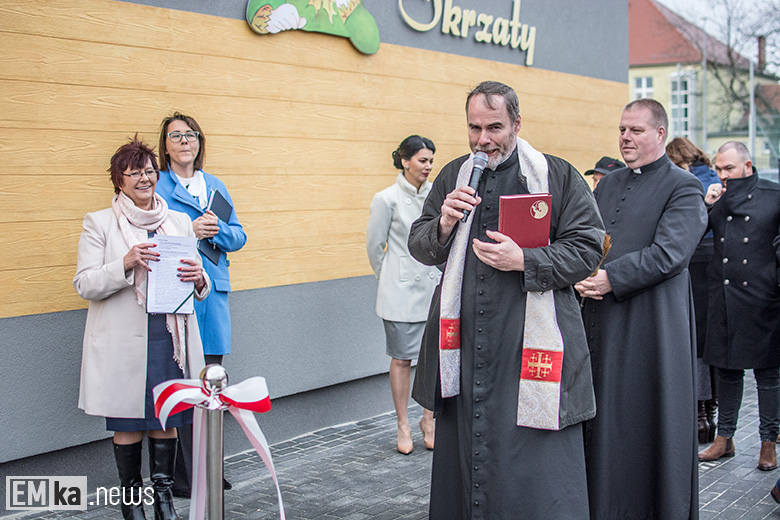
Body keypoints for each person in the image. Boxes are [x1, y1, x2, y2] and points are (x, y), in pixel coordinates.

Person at [408, 80, 605, 519]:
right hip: (464, 343)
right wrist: (443, 222)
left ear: (517, 123)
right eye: (474, 128)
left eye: (494, 127)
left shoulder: (557, 174)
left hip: (529, 343)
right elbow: (419, 244)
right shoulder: (453, 175)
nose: (483, 140)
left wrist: (526, 259)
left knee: (533, 466)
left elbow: (589, 247)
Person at [576, 98, 708, 520]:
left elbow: (671, 254)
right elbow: (591, 239)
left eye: (635, 130)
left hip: (651, 326)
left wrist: (611, 278)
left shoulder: (683, 186)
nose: (625, 138)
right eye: (621, 130)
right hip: (602, 321)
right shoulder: (609, 183)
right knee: (604, 418)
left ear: (660, 135)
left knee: (643, 421)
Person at [73, 137, 209, 520]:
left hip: (169, 337)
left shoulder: (178, 221)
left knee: (166, 417)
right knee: (129, 421)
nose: (144, 178)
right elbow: (85, 283)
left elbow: (198, 282)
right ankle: (131, 501)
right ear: (119, 180)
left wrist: (200, 278)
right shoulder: (99, 222)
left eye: (149, 170)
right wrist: (126, 262)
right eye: (134, 173)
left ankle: (163, 498)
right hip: (123, 343)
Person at [155, 112, 246, 495]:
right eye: (175, 136)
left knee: (211, 383)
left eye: (190, 135)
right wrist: (188, 231)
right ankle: (182, 476)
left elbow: (238, 236)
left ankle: (209, 470)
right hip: (175, 293)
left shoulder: (214, 184)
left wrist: (218, 230)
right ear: (166, 146)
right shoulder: (156, 184)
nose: (184, 142)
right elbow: (150, 234)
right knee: (180, 383)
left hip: (214, 294)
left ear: (199, 141)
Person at [697, 141, 780, 471]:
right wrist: (706, 205)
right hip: (724, 297)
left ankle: (768, 442)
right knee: (727, 371)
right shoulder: (719, 198)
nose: (722, 174)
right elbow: (694, 234)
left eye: (728, 168)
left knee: (768, 375)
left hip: (763, 298)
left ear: (747, 166)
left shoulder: (774, 196)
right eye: (718, 168)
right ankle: (724, 439)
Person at [366, 135, 440, 454]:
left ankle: (429, 419)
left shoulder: (438, 195)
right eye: (422, 160)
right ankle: (403, 424)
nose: (428, 166)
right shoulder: (386, 199)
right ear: (405, 160)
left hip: (433, 288)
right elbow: (374, 246)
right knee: (401, 358)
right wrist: (390, 277)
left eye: (431, 161)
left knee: (433, 358)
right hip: (400, 293)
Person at [666, 136, 721, 444]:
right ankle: (710, 414)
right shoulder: (712, 177)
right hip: (715, 265)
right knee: (709, 345)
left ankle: (700, 417)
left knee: (696, 344)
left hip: (693, 263)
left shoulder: (682, 181)